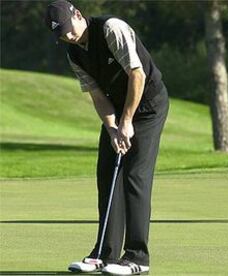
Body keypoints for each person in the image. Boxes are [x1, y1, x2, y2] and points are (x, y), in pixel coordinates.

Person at [44, 0, 169, 274]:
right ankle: (106, 253)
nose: (67, 36)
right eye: (60, 34)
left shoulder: (112, 28)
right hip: (117, 107)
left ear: (78, 14)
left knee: (135, 175)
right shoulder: (73, 52)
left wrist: (127, 121)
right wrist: (113, 128)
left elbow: (137, 74)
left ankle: (137, 258)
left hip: (148, 105)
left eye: (67, 28)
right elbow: (98, 96)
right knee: (107, 172)